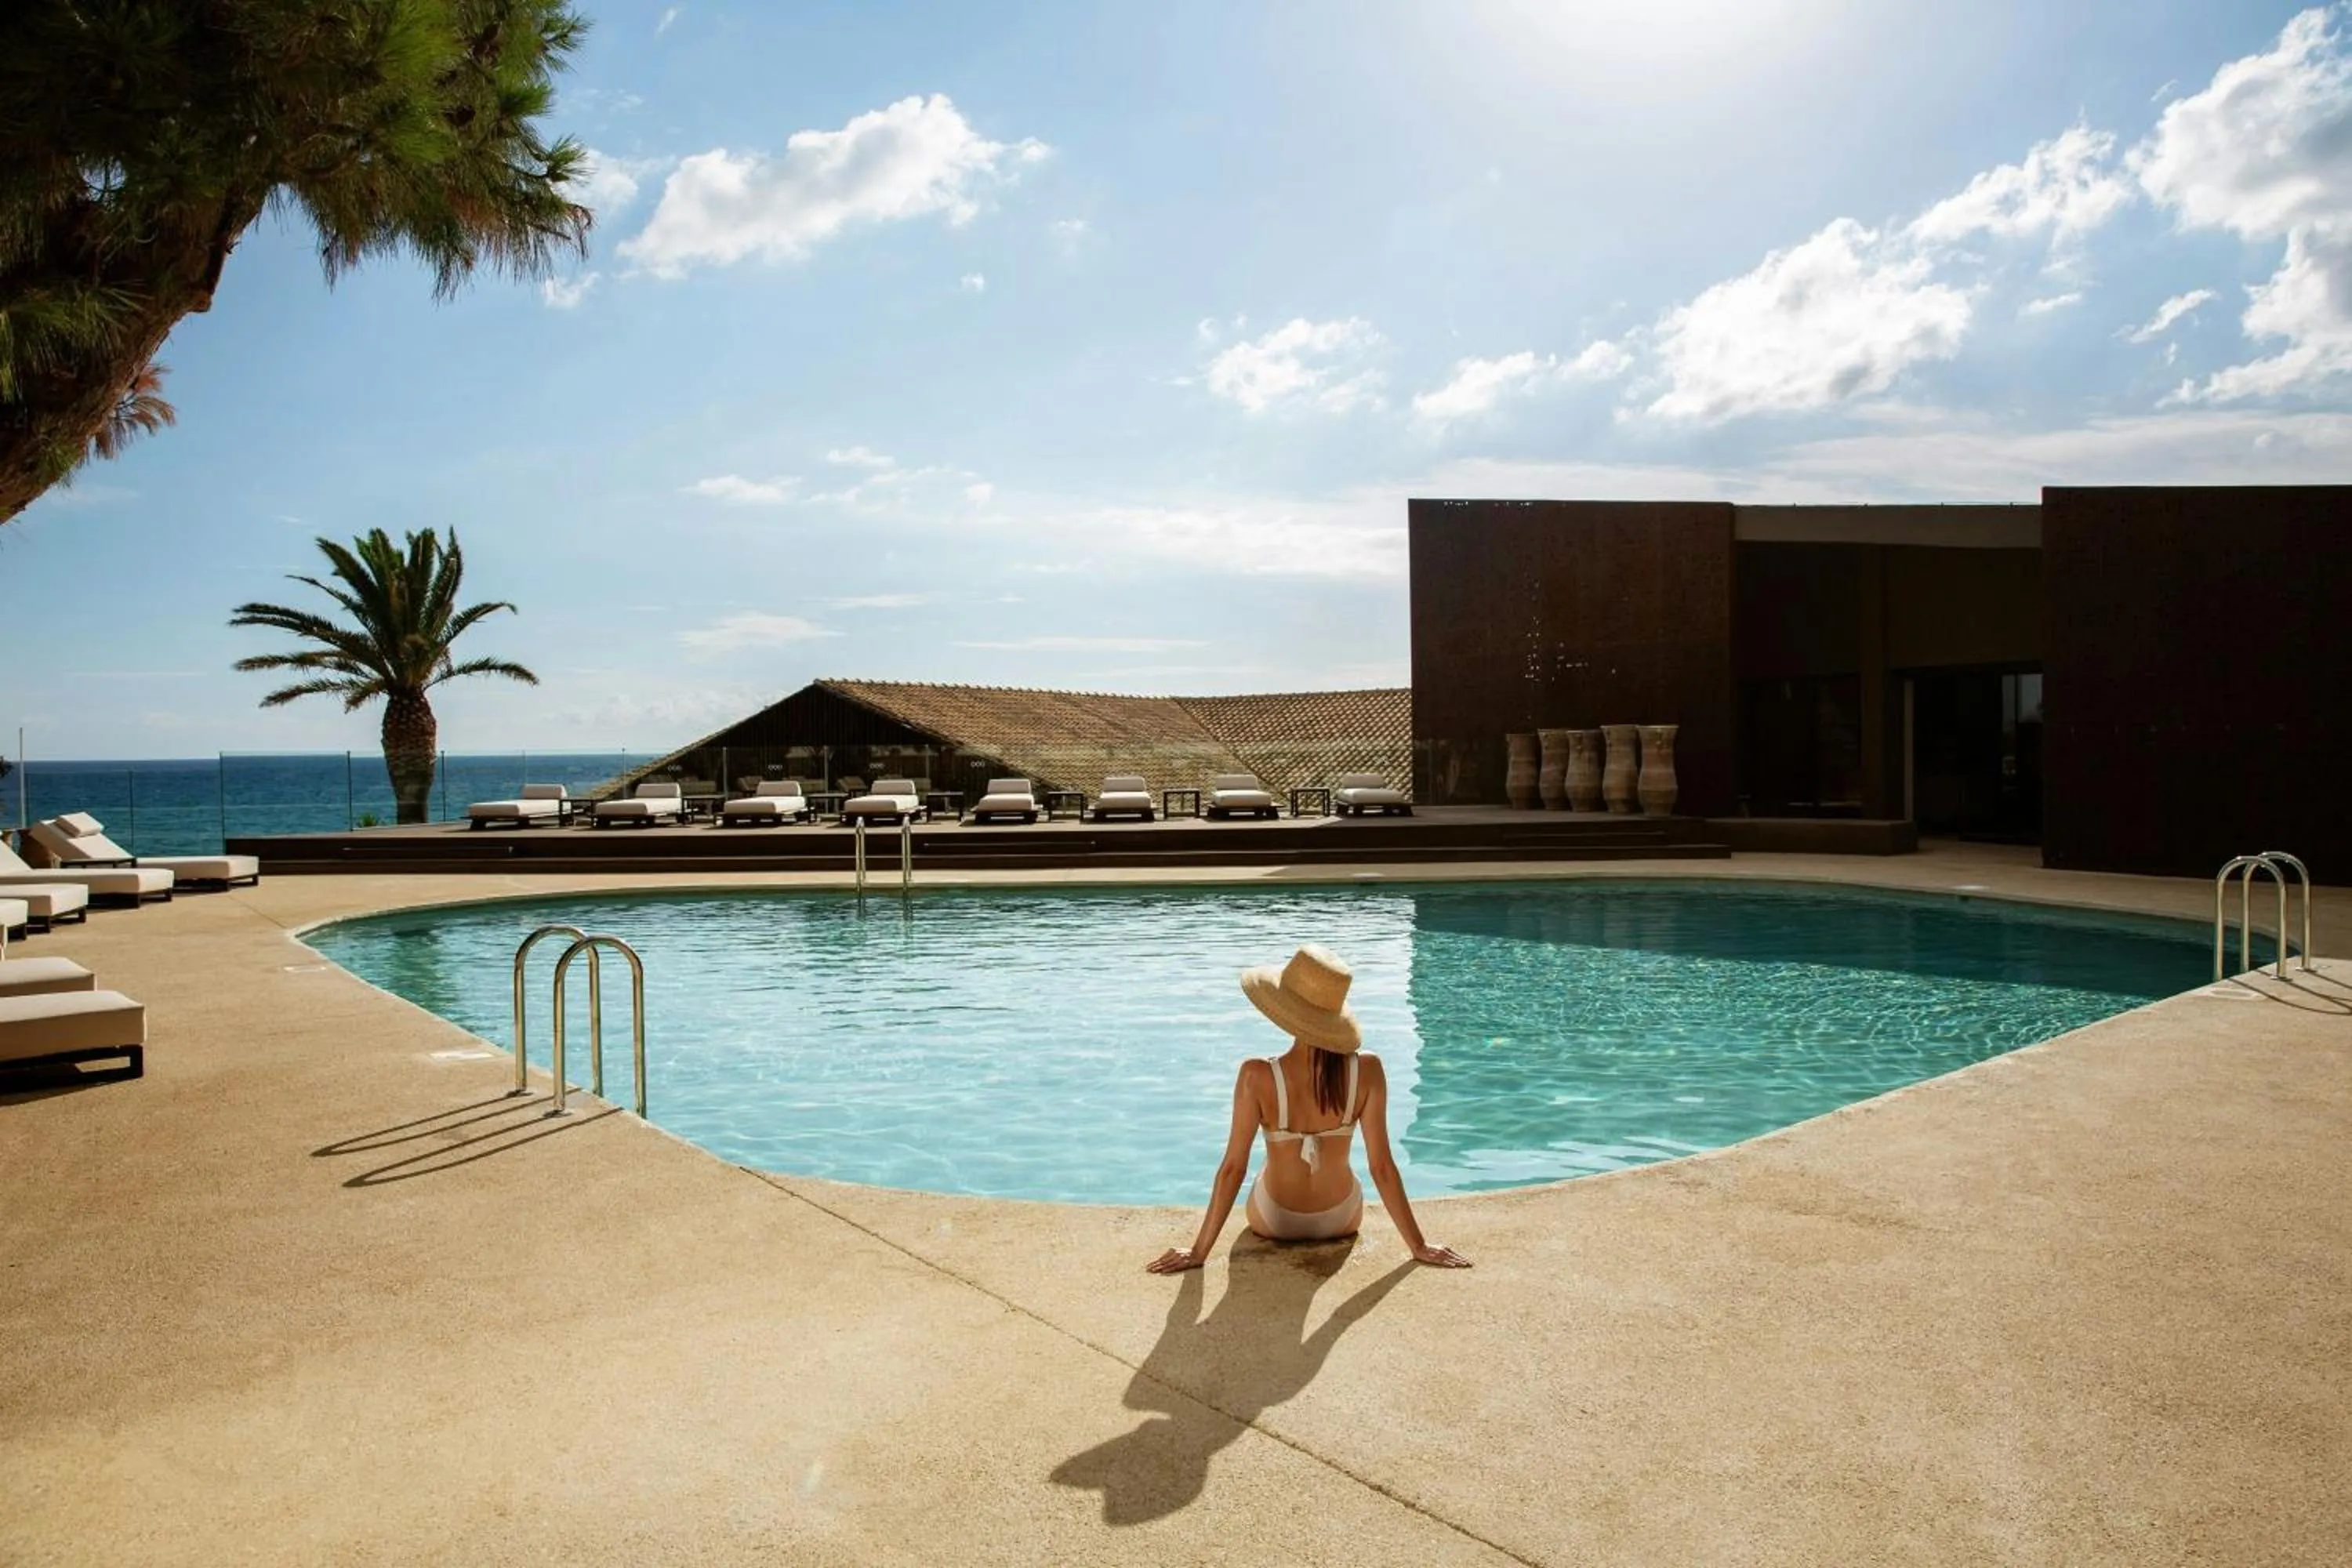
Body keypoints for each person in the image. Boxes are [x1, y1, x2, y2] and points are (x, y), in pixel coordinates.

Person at [1148, 944, 1470, 1273]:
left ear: (1288, 1013)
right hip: (1341, 1216)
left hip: (1276, 1219)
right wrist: (1418, 1245)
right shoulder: (1368, 1071)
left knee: (1267, 1164)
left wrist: (1199, 1252)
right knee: (1343, 1166)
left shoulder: (1257, 1075)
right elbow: (1382, 1167)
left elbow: (1233, 1169)